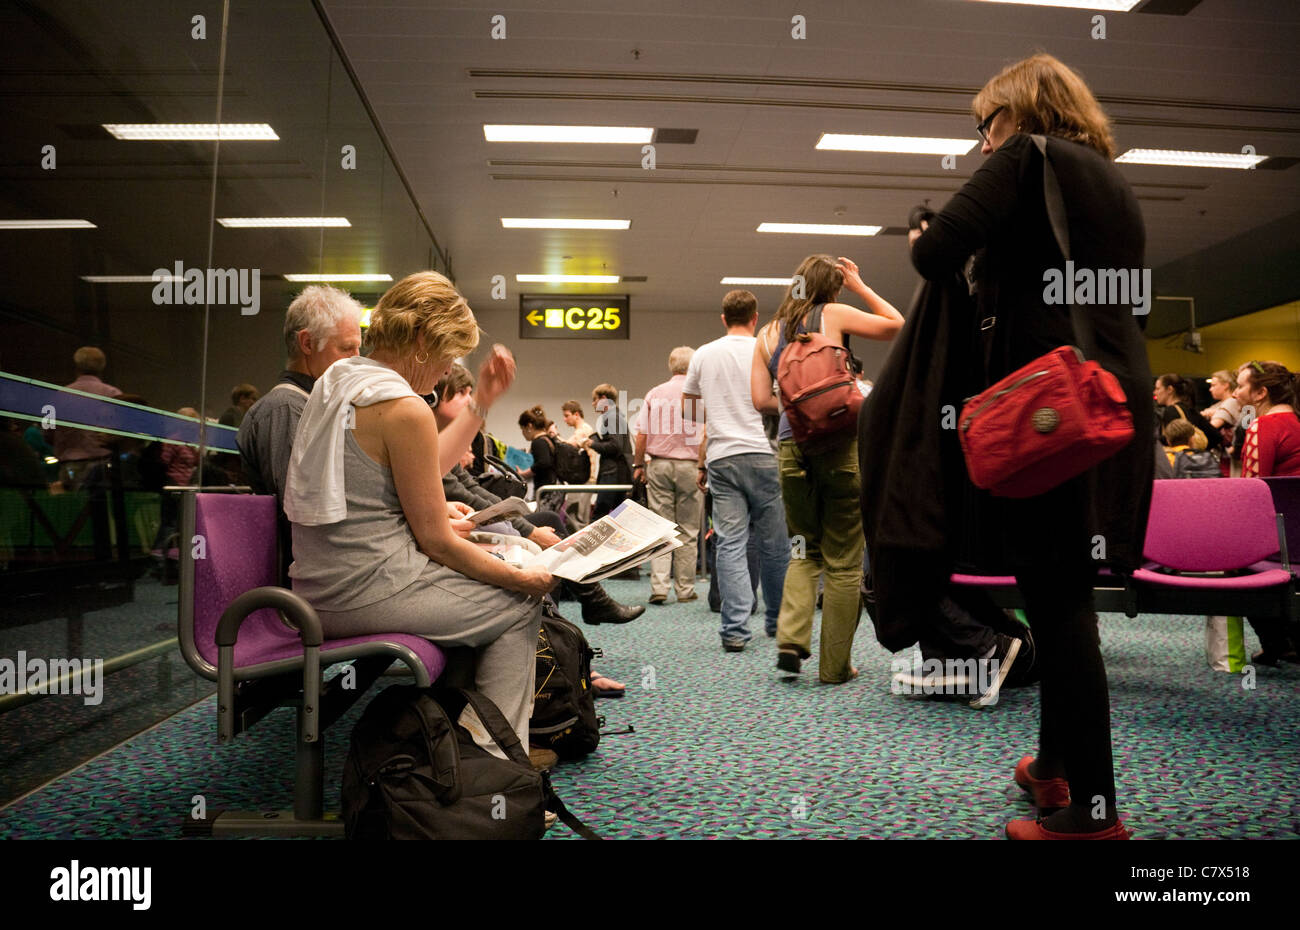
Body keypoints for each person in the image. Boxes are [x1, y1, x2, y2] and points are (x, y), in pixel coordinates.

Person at [907, 54, 1153, 839]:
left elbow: (935, 250)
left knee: (1062, 606)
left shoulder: (1026, 157)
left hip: (1045, 417)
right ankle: (1053, 769)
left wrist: (926, 235)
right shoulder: (1111, 180)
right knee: (1060, 596)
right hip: (1105, 407)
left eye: (986, 123)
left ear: (1016, 111)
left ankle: (1092, 814)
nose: (983, 143)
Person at [284, 271, 552, 750]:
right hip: (364, 590)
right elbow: (435, 543)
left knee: (494, 571)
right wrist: (523, 581)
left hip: (318, 583)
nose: (446, 372)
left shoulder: (339, 383)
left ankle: (455, 747)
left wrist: (481, 405)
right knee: (517, 606)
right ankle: (491, 766)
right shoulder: (400, 405)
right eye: (447, 357)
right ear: (422, 341)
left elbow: (381, 481)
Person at [751, 254, 903, 683]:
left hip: (790, 446)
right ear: (831, 288)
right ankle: (834, 668)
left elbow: (759, 399)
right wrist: (861, 285)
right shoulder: (833, 313)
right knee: (843, 560)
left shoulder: (767, 334)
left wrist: (797, 403)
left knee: (802, 548)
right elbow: (897, 324)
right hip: (839, 447)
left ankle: (790, 639)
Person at [683, 290, 790, 652]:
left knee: (730, 544)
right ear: (755, 317)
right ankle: (776, 622)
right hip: (765, 455)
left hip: (722, 457)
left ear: (723, 317)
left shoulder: (704, 353)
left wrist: (719, 411)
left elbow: (690, 412)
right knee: (775, 545)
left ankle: (734, 631)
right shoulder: (769, 349)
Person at [633, 346, 704, 605]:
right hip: (691, 467)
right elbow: (707, 431)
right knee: (688, 530)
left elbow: (641, 434)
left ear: (670, 365)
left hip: (660, 465)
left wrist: (638, 465)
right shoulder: (699, 393)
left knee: (661, 528)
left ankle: (659, 588)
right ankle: (685, 590)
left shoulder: (655, 393)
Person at [52, 346, 122, 490]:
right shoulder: (114, 394)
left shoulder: (59, 395)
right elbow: (123, 430)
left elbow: (48, 431)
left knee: (71, 509)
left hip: (70, 466)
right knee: (100, 508)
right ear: (102, 367)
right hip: (104, 465)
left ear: (77, 365)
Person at [585, 384, 633, 521]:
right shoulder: (616, 417)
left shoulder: (612, 417)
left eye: (594, 399)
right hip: (616, 472)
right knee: (618, 516)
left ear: (604, 399)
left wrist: (592, 444)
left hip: (613, 474)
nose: (593, 403)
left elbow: (615, 446)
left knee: (600, 516)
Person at [517, 406, 565, 514]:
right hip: (555, 488)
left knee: (542, 520)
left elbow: (544, 462)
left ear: (529, 426)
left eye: (523, 429)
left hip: (548, 490)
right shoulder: (548, 439)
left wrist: (525, 473)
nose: (523, 433)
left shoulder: (538, 442)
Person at [1154, 373, 1218, 450]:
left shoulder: (1170, 411)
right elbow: (1216, 436)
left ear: (1170, 390)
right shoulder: (1190, 409)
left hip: (1176, 459)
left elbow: (1170, 439)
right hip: (1192, 459)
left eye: (1158, 389)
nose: (1154, 392)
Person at [561, 400, 598, 527]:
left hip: (585, 480)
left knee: (577, 518)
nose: (564, 419)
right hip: (584, 479)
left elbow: (569, 446)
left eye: (567, 415)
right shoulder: (582, 430)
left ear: (576, 414)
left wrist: (554, 438)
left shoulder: (584, 430)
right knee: (576, 516)